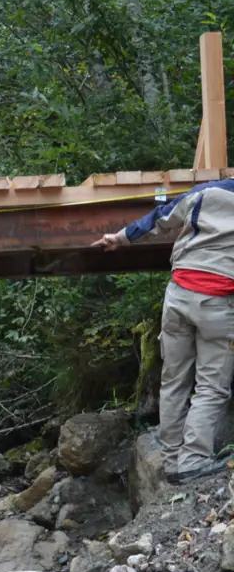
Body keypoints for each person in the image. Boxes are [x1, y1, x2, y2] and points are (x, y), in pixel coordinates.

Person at [94, 182, 234, 484]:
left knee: (174, 381)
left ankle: (171, 462)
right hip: (218, 304)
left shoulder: (206, 192)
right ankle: (192, 462)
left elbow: (161, 216)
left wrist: (120, 237)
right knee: (212, 387)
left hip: (178, 296)